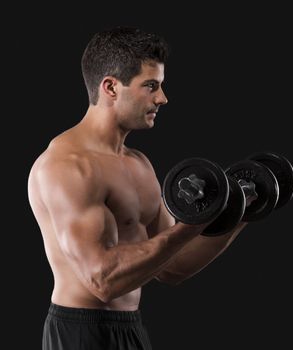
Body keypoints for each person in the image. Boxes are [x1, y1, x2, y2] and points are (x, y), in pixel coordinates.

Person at [27, 26, 247, 350]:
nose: (163, 98)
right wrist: (195, 223)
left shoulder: (139, 165)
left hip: (130, 328)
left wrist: (239, 211)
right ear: (111, 87)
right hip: (80, 333)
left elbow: (173, 265)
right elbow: (102, 280)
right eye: (151, 86)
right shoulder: (67, 166)